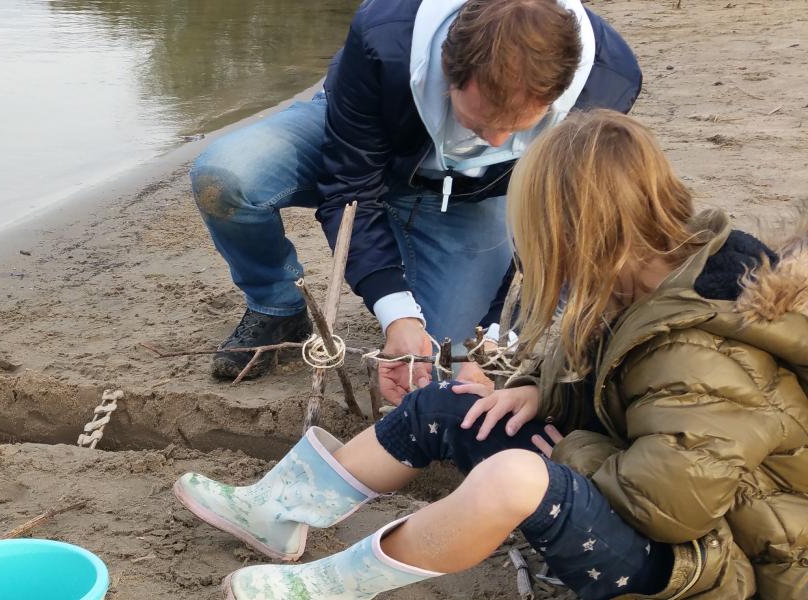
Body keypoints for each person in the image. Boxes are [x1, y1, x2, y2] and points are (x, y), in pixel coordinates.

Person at [175, 110, 808, 599]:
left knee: (515, 477)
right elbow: (615, 387)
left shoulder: (700, 353)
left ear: (577, 236)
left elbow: (671, 506)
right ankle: (278, 514)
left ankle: (332, 585)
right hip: (645, 496)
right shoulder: (645, 286)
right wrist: (542, 393)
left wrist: (563, 453)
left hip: (711, 566)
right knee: (456, 401)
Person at [192, 0, 641, 404]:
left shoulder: (607, 83)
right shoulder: (385, 37)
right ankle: (278, 306)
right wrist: (397, 315)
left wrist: (492, 345)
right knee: (225, 176)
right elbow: (350, 187)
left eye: (518, 127)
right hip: (364, 140)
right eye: (481, 121)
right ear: (448, 69)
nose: (499, 140)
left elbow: (568, 232)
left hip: (467, 200)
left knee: (448, 365)